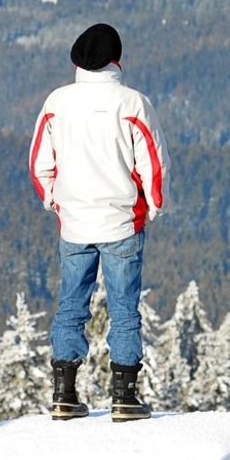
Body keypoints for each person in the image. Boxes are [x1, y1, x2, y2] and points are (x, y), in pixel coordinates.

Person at [28, 22, 166, 421]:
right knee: (125, 309)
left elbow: (40, 163)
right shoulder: (133, 103)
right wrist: (153, 206)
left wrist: (55, 200)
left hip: (74, 223)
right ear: (116, 59)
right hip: (122, 221)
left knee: (71, 305)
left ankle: (64, 393)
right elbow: (153, 164)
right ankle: (124, 396)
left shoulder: (57, 102)